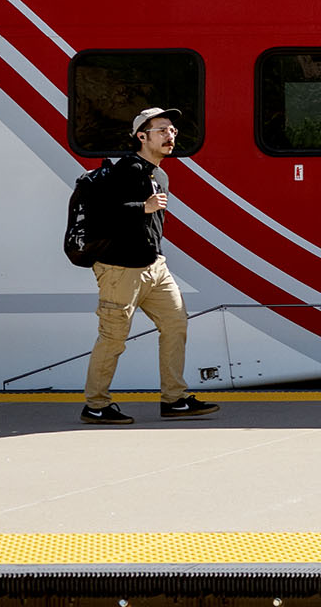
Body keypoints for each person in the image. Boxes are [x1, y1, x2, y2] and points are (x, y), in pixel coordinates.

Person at [79, 107, 219, 425]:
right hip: (120, 270)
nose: (171, 135)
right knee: (113, 337)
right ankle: (96, 405)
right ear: (142, 136)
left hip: (155, 267)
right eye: (162, 130)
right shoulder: (127, 170)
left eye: (172, 130)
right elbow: (102, 214)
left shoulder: (161, 174)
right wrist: (142, 206)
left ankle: (174, 399)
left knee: (176, 325)